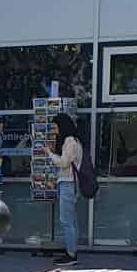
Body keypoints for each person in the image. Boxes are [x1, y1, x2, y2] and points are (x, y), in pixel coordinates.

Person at [47, 111, 84, 261]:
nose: (55, 131)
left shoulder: (69, 141)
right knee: (71, 220)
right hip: (71, 183)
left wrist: (49, 153)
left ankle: (71, 253)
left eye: (56, 127)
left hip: (68, 184)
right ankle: (71, 250)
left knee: (66, 220)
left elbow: (64, 163)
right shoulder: (75, 140)